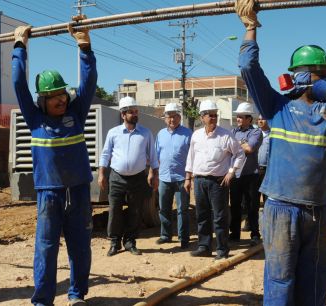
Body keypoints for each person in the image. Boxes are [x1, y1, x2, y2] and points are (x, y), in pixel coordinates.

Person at [236, 0, 326, 304]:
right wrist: (250, 27)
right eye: (322, 72)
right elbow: (249, 67)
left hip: (318, 210)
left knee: (315, 284)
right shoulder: (277, 107)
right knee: (280, 282)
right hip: (281, 209)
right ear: (301, 76)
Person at [12, 21, 97, 306]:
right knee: (46, 248)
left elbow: (89, 81)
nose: (61, 99)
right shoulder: (34, 119)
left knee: (80, 246)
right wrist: (20, 47)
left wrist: (84, 47)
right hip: (49, 193)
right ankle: (43, 300)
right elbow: (17, 82)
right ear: (42, 101)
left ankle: (76, 295)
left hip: (79, 191)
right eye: (53, 96)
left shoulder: (77, 113)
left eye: (62, 94)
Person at [185, 99, 245, 260]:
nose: (213, 118)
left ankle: (222, 249)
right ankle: (204, 246)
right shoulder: (196, 135)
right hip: (199, 181)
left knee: (220, 216)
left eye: (215, 115)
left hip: (219, 182)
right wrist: (188, 178)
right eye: (209, 115)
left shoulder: (226, 135)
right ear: (202, 117)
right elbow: (191, 157)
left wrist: (232, 171)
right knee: (202, 215)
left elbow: (240, 154)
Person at [98, 96, 159, 257]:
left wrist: (154, 173)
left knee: (135, 210)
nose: (134, 114)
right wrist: (101, 174)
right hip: (117, 177)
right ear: (123, 114)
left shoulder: (145, 133)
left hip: (138, 178)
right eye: (131, 112)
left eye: (136, 111)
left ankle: (130, 242)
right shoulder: (113, 133)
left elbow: (152, 156)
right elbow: (105, 154)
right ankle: (114, 242)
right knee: (114, 210)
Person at [155, 102, 192, 249]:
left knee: (183, 209)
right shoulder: (160, 134)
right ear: (165, 118)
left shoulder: (188, 133)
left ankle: (184, 238)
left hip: (182, 178)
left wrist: (190, 176)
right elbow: (157, 155)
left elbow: (192, 156)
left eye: (175, 116)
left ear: (179, 117)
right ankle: (165, 235)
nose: (172, 120)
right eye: (169, 117)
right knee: (164, 208)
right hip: (164, 178)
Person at [229, 102, 262, 246]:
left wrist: (236, 145)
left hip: (250, 175)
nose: (239, 119)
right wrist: (241, 144)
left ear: (249, 119)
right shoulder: (233, 132)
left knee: (252, 206)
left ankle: (255, 234)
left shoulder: (255, 132)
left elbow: (249, 148)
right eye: (238, 116)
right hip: (236, 175)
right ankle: (235, 233)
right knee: (235, 205)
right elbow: (228, 148)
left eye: (242, 117)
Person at [257, 114, 270, 206]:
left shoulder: (273, 135)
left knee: (267, 195)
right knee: (254, 196)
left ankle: (266, 217)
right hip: (255, 170)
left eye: (263, 119)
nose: (260, 121)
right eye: (258, 119)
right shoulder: (254, 134)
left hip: (267, 170)